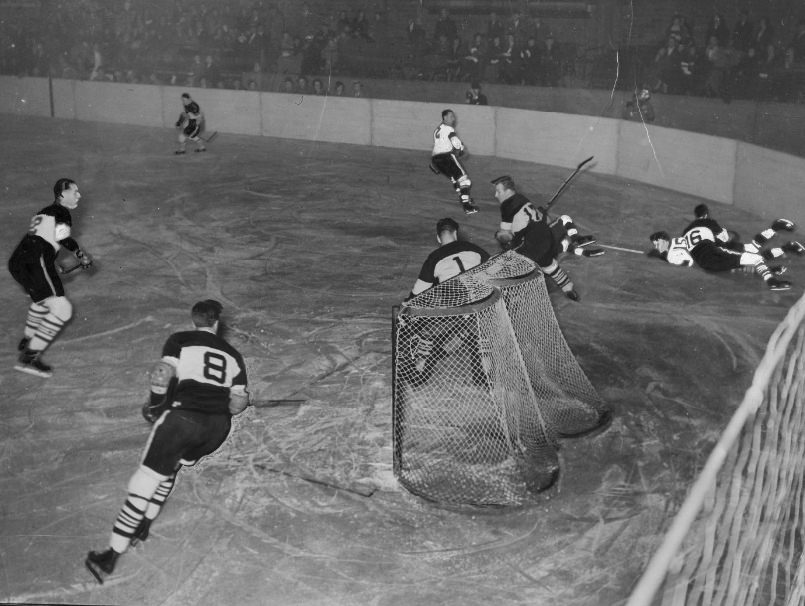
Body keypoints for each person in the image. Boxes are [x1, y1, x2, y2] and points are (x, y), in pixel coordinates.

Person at [85, 299, 249, 584]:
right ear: (216, 323)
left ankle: (111, 556)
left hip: (183, 420)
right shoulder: (234, 355)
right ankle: (145, 524)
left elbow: (163, 373)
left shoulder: (181, 339)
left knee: (143, 482)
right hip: (216, 428)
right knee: (171, 467)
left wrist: (157, 405)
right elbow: (237, 404)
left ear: (194, 319)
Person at [8, 178, 92, 377]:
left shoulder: (44, 211)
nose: (79, 195)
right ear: (62, 195)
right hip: (37, 259)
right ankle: (29, 357)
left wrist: (50, 264)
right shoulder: (62, 212)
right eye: (75, 191)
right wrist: (80, 254)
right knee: (62, 308)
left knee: (43, 300)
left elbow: (41, 238)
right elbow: (63, 238)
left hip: (18, 261)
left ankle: (28, 338)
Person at [492, 175, 602, 302]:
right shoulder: (522, 198)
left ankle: (514, 295)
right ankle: (568, 289)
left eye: (499, 191)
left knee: (512, 265)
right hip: (546, 239)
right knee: (550, 265)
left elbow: (505, 235)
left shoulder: (507, 206)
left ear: (508, 191)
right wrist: (540, 213)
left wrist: (499, 236)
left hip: (530, 247)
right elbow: (542, 219)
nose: (496, 195)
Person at [648, 203, 804, 291]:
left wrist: (659, 253)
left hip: (707, 262)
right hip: (713, 252)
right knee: (754, 254)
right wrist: (729, 237)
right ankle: (773, 276)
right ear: (706, 214)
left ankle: (783, 249)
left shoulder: (684, 233)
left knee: (752, 253)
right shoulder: (708, 223)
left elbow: (682, 256)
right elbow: (725, 237)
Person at [408, 217, 490, 299]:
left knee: (435, 283)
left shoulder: (434, 258)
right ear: (455, 234)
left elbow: (418, 292)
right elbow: (494, 265)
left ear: (438, 238)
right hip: (482, 297)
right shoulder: (473, 248)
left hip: (455, 304)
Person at [430, 109, 479, 215]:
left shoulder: (438, 129)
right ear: (445, 118)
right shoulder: (449, 129)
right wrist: (461, 148)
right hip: (446, 157)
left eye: (454, 116)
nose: (453, 118)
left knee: (455, 179)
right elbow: (455, 141)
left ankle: (463, 197)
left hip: (436, 159)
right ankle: (467, 206)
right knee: (464, 180)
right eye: (451, 116)